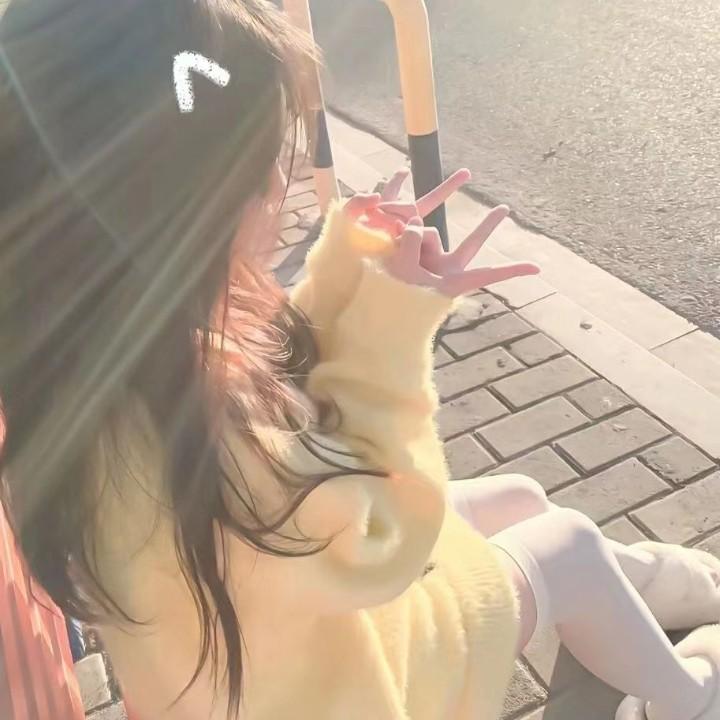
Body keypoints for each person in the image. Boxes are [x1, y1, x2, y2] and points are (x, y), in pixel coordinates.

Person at [0, 2, 718, 719]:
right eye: (263, 162)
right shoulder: (209, 430)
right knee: (568, 546)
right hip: (356, 688)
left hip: (278, 654)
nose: (275, 187)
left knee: (520, 499)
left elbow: (287, 396)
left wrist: (350, 269)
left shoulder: (92, 371)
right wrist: (397, 324)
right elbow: (390, 533)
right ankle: (687, 698)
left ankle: (646, 596)